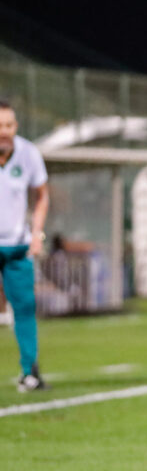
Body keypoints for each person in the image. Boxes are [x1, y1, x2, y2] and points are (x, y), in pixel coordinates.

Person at [0, 100, 50, 391]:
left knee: (25, 307)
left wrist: (37, 233)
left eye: (8, 125)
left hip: (17, 249)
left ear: (15, 127)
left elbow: (42, 195)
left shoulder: (29, 154)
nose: (4, 131)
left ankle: (30, 372)